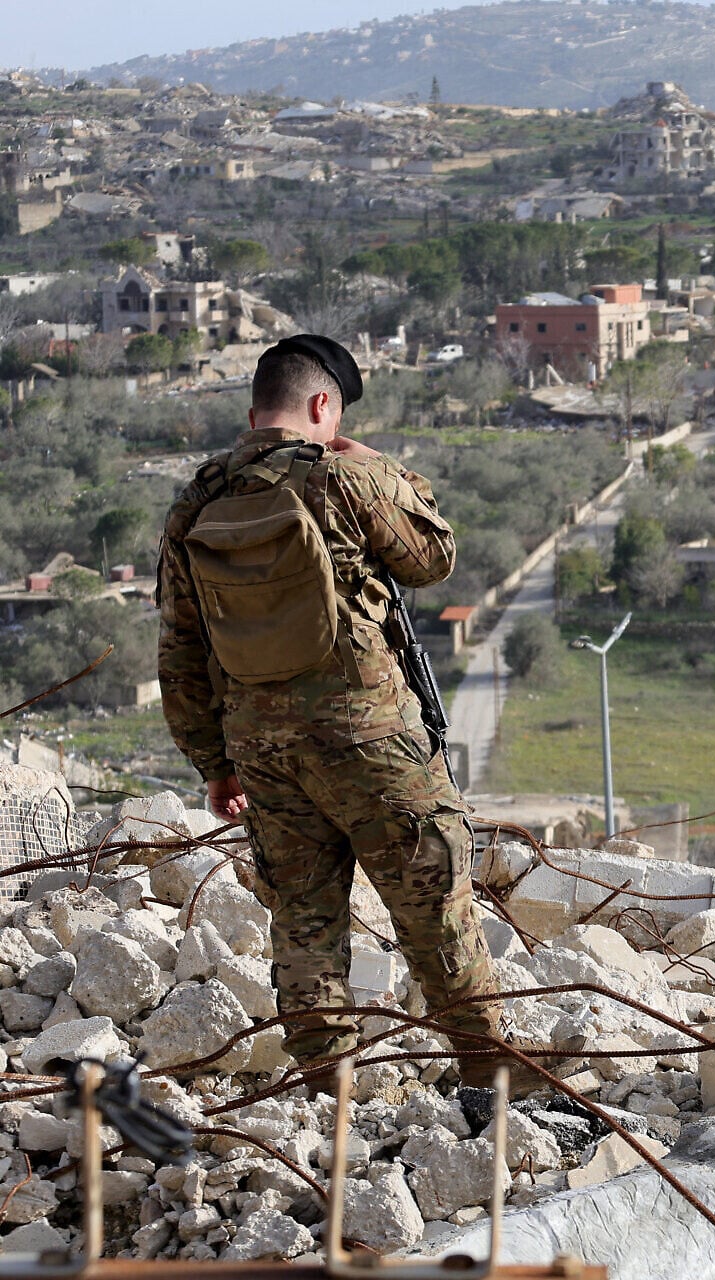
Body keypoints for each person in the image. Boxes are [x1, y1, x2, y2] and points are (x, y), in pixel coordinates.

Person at [157, 334, 506, 1083]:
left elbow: (180, 650)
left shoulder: (197, 501)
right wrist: (377, 463)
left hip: (262, 751)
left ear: (255, 412)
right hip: (370, 737)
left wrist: (214, 765)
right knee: (432, 898)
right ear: (323, 405)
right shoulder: (344, 477)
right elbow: (433, 557)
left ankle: (327, 1086)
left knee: (303, 917)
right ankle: (491, 1071)